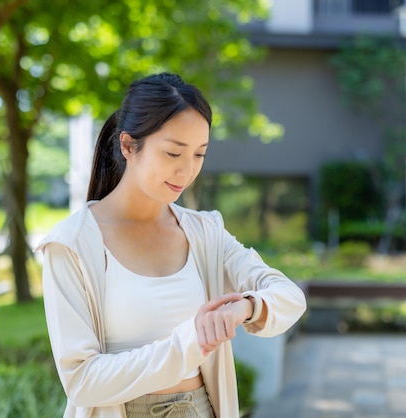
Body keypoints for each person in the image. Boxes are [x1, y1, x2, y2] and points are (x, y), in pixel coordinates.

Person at [37, 73, 307, 418]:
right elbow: (82, 380)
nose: (186, 170)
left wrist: (245, 307)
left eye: (199, 155)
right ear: (128, 145)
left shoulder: (204, 232)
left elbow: (288, 296)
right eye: (173, 152)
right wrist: (192, 342)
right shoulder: (72, 244)